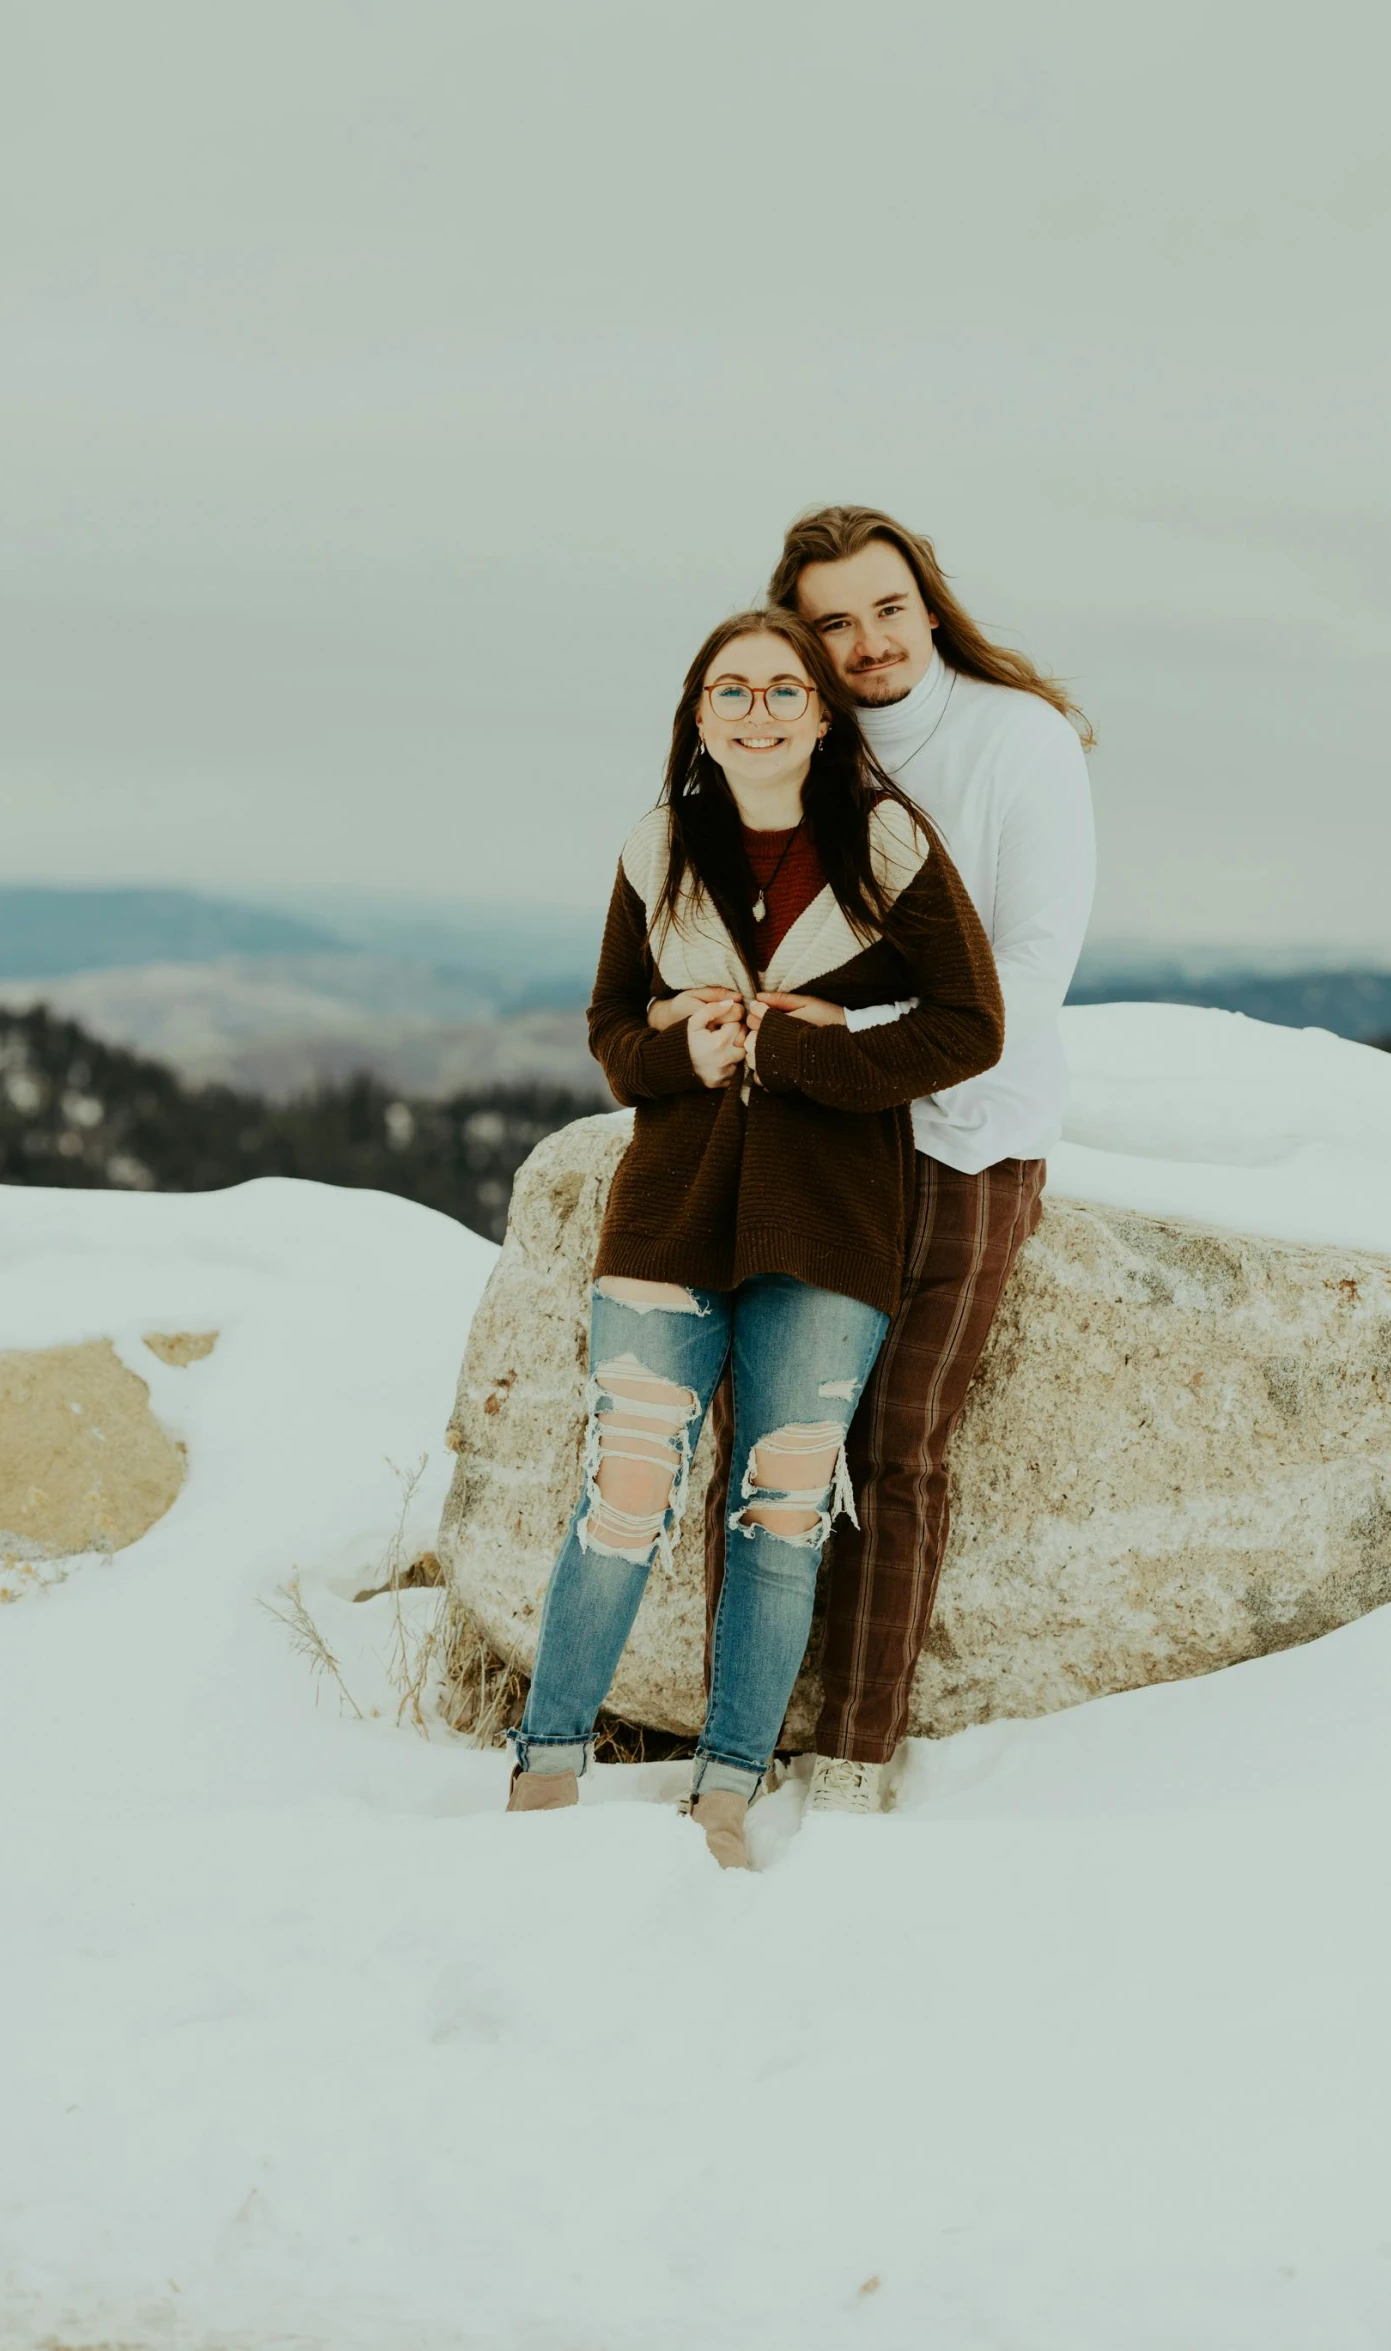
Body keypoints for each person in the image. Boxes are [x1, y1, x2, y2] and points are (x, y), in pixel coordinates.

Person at [506, 604, 1005, 1868]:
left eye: (783, 690)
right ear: (699, 716)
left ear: (822, 715)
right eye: (729, 691)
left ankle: (726, 1790)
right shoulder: (658, 845)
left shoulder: (884, 843)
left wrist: (797, 1046)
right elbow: (613, 1029)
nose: (757, 711)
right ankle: (543, 1772)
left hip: (830, 1223)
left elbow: (966, 1023)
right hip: (669, 1215)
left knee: (780, 1511)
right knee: (620, 1498)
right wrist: (685, 1050)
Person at [701, 508, 1096, 1813]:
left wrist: (855, 1038)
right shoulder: (798, 748)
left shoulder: (1014, 741)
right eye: (831, 620)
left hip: (961, 1135)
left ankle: (853, 1754)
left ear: (925, 600)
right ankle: (734, 1744)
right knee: (767, 1438)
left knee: (895, 1444)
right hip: (811, 1137)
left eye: (885, 606)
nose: (865, 641)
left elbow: (1030, 972)